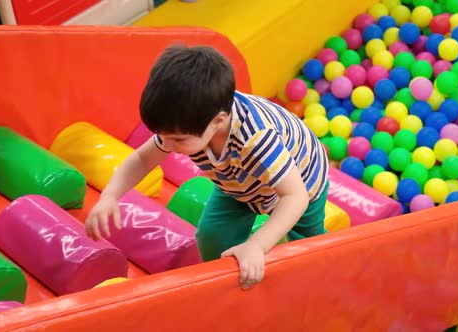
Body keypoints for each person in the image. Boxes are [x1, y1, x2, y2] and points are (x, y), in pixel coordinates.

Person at [85, 44, 330, 289]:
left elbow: (295, 196)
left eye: (178, 139)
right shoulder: (184, 122)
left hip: (301, 179)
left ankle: (322, 282)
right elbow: (141, 159)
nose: (167, 145)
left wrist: (256, 245)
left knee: (308, 245)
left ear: (218, 121)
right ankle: (228, 286)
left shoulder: (255, 137)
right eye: (163, 136)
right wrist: (109, 196)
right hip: (237, 181)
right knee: (212, 236)